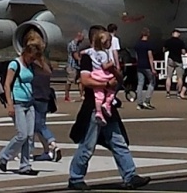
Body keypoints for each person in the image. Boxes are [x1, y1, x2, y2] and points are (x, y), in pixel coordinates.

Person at [67, 25, 151, 191]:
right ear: (94, 39)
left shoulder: (107, 56)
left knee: (118, 141)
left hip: (109, 107)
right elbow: (85, 80)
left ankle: (130, 175)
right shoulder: (87, 58)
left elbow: (119, 77)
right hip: (93, 106)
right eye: (102, 38)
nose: (106, 42)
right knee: (87, 145)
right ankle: (75, 177)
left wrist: (114, 71)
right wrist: (105, 83)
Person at [0, 34, 43, 176]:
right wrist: (9, 104)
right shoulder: (14, 64)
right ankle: (4, 155)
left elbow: (46, 70)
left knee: (30, 136)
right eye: (32, 57)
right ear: (26, 53)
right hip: (17, 102)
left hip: (29, 102)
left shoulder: (30, 66)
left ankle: (25, 165)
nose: (33, 60)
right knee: (22, 134)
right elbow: (7, 85)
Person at [82, 31, 117, 125]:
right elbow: (105, 66)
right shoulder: (104, 53)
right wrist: (112, 63)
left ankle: (99, 112)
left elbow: (82, 52)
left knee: (98, 96)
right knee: (111, 90)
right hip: (103, 74)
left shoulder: (91, 51)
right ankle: (107, 103)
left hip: (95, 74)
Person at [32, 50, 62, 162]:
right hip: (45, 98)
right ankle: (47, 151)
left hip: (36, 97)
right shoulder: (46, 67)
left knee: (38, 125)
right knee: (39, 125)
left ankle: (52, 143)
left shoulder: (33, 67)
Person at [135, 28, 156, 110]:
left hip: (139, 65)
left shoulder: (137, 44)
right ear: (148, 34)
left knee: (140, 84)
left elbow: (136, 56)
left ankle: (139, 102)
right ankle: (147, 101)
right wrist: (153, 68)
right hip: (147, 65)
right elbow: (150, 57)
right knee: (152, 82)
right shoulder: (148, 44)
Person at [163, 31, 187, 99]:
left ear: (172, 34)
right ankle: (178, 93)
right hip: (178, 60)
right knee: (180, 78)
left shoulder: (168, 41)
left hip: (170, 59)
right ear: (178, 34)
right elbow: (183, 52)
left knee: (168, 77)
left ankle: (168, 93)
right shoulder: (181, 42)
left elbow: (164, 49)